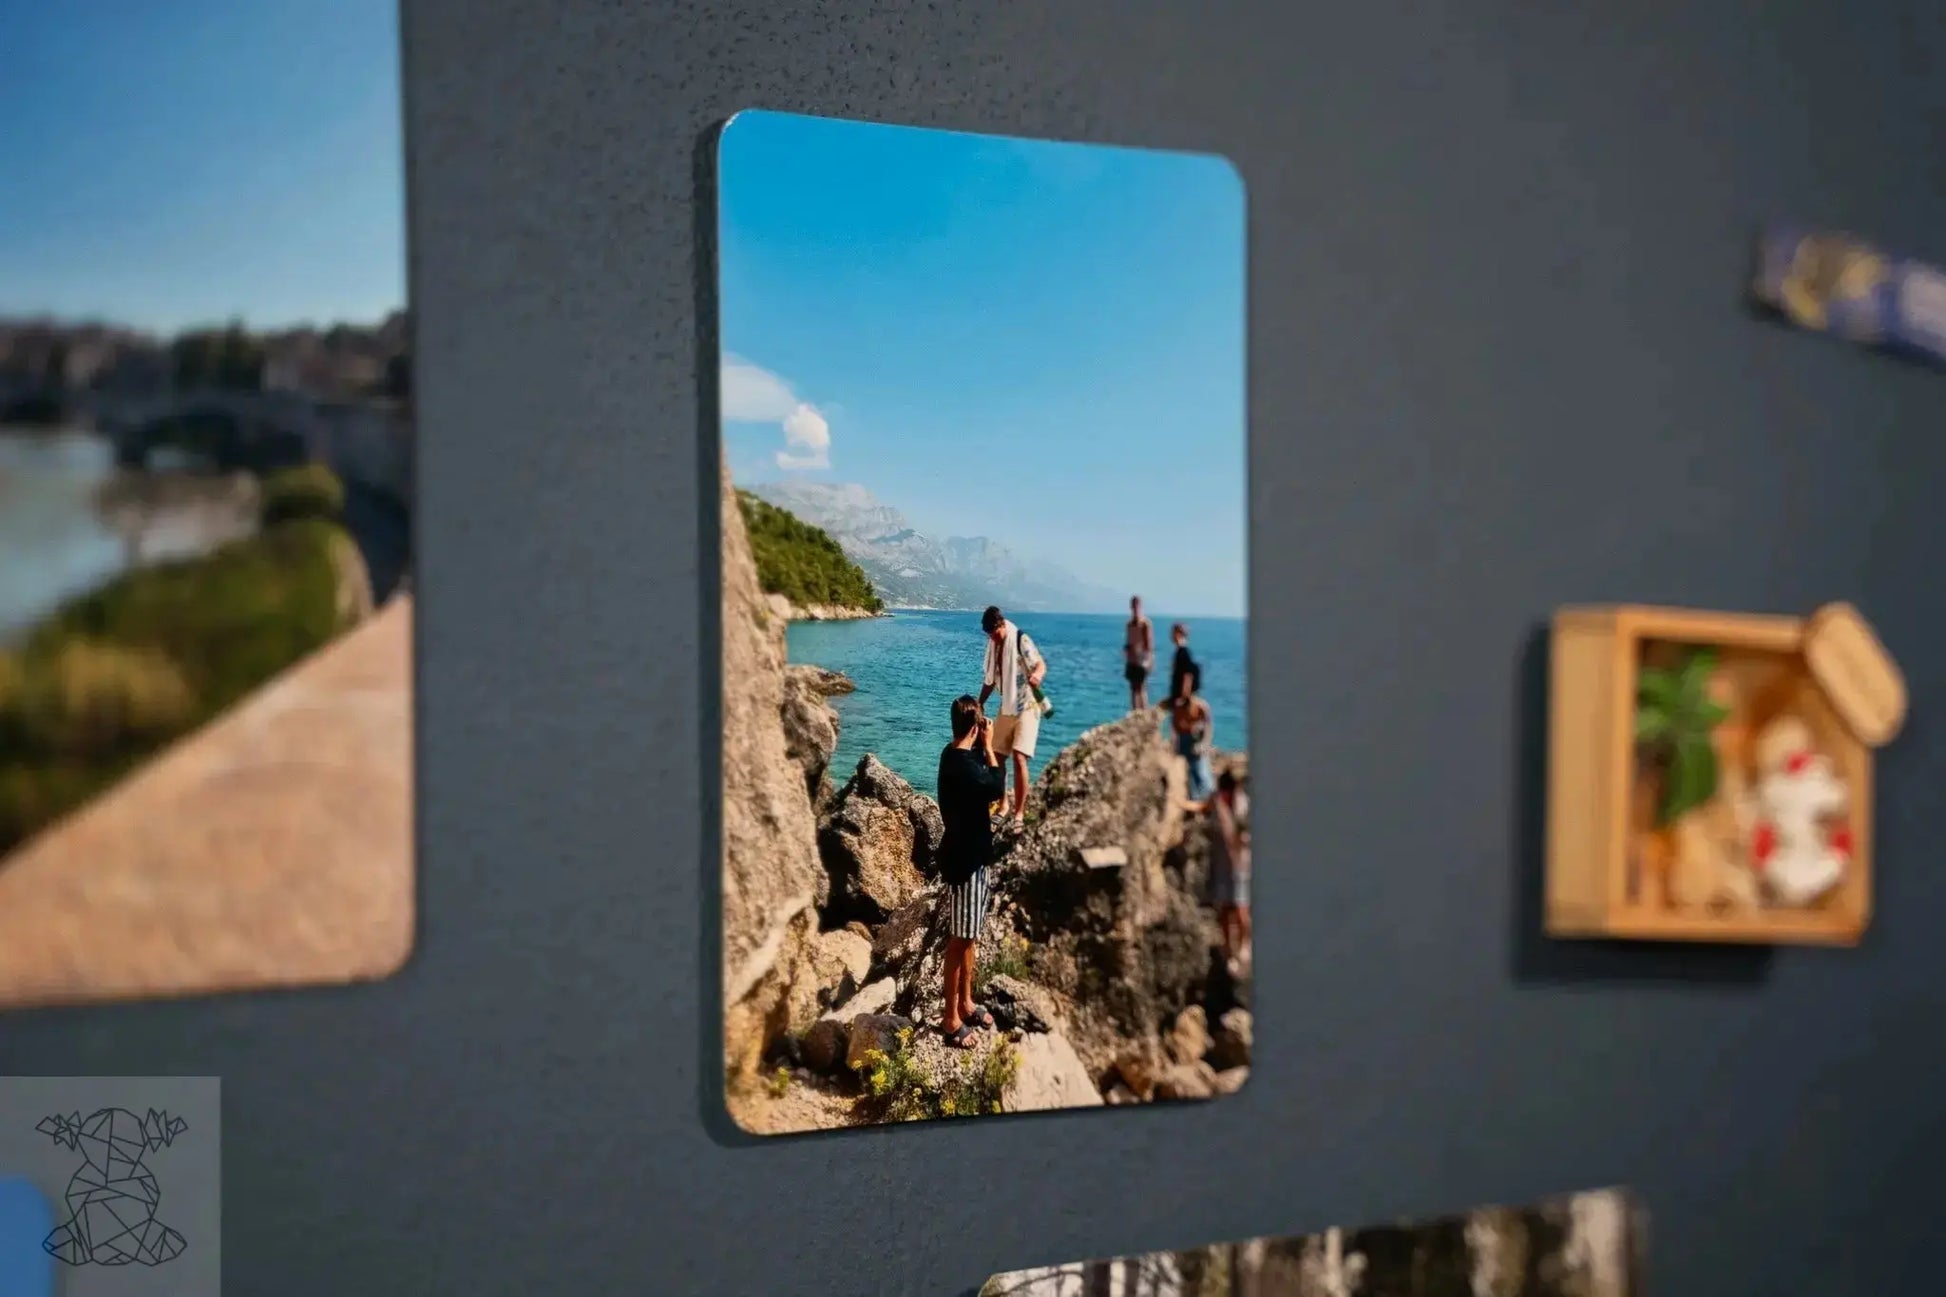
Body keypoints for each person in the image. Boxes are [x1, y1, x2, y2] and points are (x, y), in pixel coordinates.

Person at [937, 695, 1005, 1048]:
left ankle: (966, 1002)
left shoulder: (953, 755)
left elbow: (981, 774)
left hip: (971, 859)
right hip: (965, 865)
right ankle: (950, 1019)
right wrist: (990, 746)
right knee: (958, 941)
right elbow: (995, 786)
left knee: (970, 936)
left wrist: (981, 744)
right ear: (976, 728)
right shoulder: (963, 767)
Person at [977, 605, 1046, 827]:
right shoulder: (993, 645)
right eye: (989, 635)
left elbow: (1040, 664)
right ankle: (1004, 805)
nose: (993, 638)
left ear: (1001, 624)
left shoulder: (1019, 639)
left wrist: (1037, 675)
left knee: (1019, 757)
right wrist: (979, 703)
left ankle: (1019, 814)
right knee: (995, 756)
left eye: (995, 634)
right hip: (1007, 705)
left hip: (1027, 705)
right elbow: (990, 680)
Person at [1207, 769, 1252, 977]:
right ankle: (1228, 950)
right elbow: (1204, 808)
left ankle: (1244, 945)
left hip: (1240, 864)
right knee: (1225, 909)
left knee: (1241, 909)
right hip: (1222, 865)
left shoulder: (1243, 805)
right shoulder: (1217, 803)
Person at [1172, 686, 1215, 809]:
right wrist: (1175, 746)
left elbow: (1208, 726)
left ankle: (1208, 799)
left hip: (1196, 741)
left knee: (1200, 770)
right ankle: (1194, 799)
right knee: (1189, 773)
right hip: (1184, 740)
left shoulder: (1202, 706)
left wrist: (1204, 744)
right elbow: (1175, 727)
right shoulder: (1179, 707)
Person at [1124, 596, 1155, 712]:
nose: (1135, 608)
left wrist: (1149, 661)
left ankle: (1144, 713)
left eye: (1137, 605)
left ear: (1140, 606)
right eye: (1133, 605)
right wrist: (1127, 652)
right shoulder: (1129, 624)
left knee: (1141, 687)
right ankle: (1135, 712)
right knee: (1133, 688)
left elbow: (1149, 644)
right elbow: (1128, 641)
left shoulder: (1145, 624)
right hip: (1131, 659)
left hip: (1142, 660)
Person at [1168, 622, 1201, 703]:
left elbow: (1188, 675)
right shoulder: (1180, 651)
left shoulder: (1183, 652)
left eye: (1173, 633)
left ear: (1178, 634)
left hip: (1181, 697)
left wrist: (1184, 698)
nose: (1171, 636)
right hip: (1178, 694)